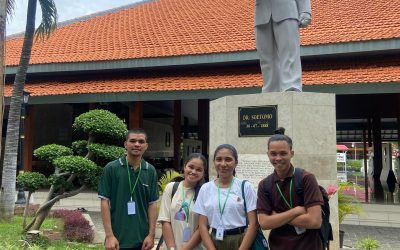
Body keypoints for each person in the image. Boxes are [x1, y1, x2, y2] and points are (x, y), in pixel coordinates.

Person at [257, 127, 323, 249]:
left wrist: (277, 216)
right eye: (273, 154)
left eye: (283, 153)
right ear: (268, 155)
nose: (278, 158)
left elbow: (315, 221)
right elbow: (264, 223)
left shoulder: (306, 178)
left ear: (291, 153)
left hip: (308, 246)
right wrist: (296, 211)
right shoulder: (264, 185)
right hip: (278, 246)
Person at [98, 128, 159, 250]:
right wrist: (109, 236)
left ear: (146, 146)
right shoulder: (112, 168)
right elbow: (104, 202)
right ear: (125, 144)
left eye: (141, 141)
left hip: (142, 241)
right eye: (133, 141)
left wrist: (151, 235)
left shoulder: (150, 170)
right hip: (117, 240)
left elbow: (152, 204)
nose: (137, 144)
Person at [192, 144, 257, 249]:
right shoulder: (206, 189)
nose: (223, 164)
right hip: (214, 241)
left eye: (228, 159)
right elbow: (203, 226)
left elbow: (253, 224)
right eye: (219, 159)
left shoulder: (245, 187)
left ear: (236, 162)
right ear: (214, 162)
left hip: (240, 241)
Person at [255, 0, 312, 92]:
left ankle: (291, 86)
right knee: (265, 57)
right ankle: (271, 90)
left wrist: (305, 11)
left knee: (289, 52)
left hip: (286, 10)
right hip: (261, 13)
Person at [158, 153, 207, 250]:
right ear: (184, 167)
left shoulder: (204, 193)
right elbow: (165, 221)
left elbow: (202, 228)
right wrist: (172, 248)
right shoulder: (171, 188)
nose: (193, 171)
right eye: (191, 167)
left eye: (198, 170)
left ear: (203, 173)